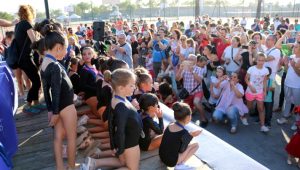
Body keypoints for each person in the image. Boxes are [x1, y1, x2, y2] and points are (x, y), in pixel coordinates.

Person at [82, 69, 142, 170]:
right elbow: (120, 131)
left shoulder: (116, 98)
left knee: (123, 162)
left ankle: (94, 163)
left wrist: (114, 146)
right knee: (132, 168)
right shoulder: (121, 106)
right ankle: (93, 163)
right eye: (131, 85)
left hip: (127, 141)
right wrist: (121, 150)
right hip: (130, 143)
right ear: (121, 88)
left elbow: (111, 125)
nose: (134, 87)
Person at [40, 25, 77, 170]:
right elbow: (54, 91)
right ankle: (72, 167)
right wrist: (55, 113)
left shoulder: (45, 63)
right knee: (71, 137)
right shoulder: (54, 66)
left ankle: (60, 167)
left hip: (57, 107)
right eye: (66, 49)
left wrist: (50, 109)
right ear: (58, 47)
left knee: (57, 138)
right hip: (65, 106)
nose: (67, 51)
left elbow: (45, 89)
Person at [15, 5, 43, 113]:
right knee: (36, 81)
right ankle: (28, 103)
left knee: (35, 79)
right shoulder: (26, 24)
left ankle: (36, 103)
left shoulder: (18, 25)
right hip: (26, 58)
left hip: (21, 59)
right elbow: (34, 41)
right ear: (29, 13)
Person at [159, 102, 201, 169]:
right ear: (188, 117)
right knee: (196, 145)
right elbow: (182, 150)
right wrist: (191, 135)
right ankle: (180, 165)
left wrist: (189, 135)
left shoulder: (170, 125)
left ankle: (180, 165)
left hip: (161, 156)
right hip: (171, 161)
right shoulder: (184, 132)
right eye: (190, 115)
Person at [176, 55, 208, 127]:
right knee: (186, 108)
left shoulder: (199, 69)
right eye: (189, 59)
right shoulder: (184, 69)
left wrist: (192, 71)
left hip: (197, 91)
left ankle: (204, 119)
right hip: (187, 93)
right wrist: (180, 69)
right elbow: (177, 79)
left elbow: (200, 81)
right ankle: (193, 111)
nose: (190, 61)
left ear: (195, 61)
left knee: (196, 102)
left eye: (192, 59)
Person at [245, 53, 269, 132]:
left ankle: (262, 126)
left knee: (261, 109)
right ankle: (243, 117)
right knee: (249, 108)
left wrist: (265, 91)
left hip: (259, 92)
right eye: (259, 60)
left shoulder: (266, 70)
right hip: (250, 92)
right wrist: (251, 86)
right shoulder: (251, 69)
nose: (261, 62)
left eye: (262, 60)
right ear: (256, 60)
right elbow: (246, 79)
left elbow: (265, 81)